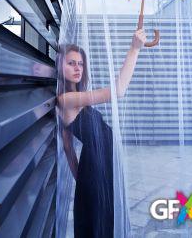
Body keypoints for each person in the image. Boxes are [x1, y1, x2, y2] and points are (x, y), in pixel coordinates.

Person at [56, 29, 147, 238]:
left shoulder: (77, 96)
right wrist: (134, 49)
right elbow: (118, 91)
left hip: (101, 165)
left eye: (80, 63)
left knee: (105, 216)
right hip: (96, 167)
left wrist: (82, 180)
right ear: (60, 66)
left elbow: (68, 148)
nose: (77, 68)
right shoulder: (66, 100)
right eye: (71, 63)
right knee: (100, 219)